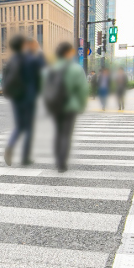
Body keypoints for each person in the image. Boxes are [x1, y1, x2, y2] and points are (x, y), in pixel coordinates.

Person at [44, 42, 88, 172]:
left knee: (58, 133)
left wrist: (48, 104)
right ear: (68, 53)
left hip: (55, 105)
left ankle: (58, 160)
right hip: (70, 106)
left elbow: (45, 88)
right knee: (66, 135)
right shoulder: (76, 69)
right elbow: (82, 90)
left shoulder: (51, 68)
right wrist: (81, 105)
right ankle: (62, 162)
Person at [2, 35, 43, 166]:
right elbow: (40, 76)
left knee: (20, 126)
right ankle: (25, 157)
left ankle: (10, 145)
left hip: (16, 97)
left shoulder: (11, 60)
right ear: (23, 45)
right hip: (29, 97)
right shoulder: (31, 59)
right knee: (29, 128)